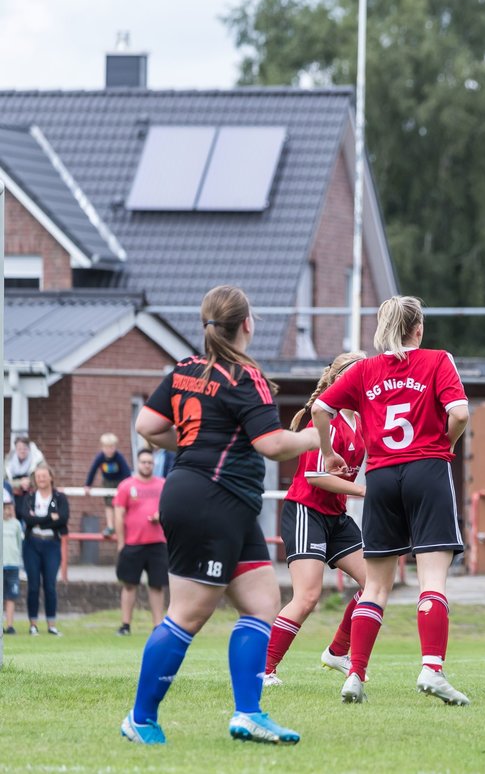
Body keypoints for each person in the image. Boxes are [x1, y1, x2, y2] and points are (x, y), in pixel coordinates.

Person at [123, 285, 318, 746]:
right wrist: (313, 440)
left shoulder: (185, 370)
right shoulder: (245, 376)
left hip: (219, 501)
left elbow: (147, 427)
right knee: (188, 614)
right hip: (211, 500)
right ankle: (140, 718)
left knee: (261, 602)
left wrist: (190, 443)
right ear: (247, 324)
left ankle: (249, 714)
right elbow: (271, 445)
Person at [312, 296, 471, 707]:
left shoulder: (365, 369)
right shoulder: (437, 360)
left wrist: (329, 454)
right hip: (427, 470)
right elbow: (460, 413)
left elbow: (321, 407)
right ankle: (432, 669)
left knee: (376, 586)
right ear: (418, 329)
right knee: (431, 580)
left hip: (381, 477)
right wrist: (444, 445)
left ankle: (354, 675)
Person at [264, 351, 369, 686]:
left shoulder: (362, 421)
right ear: (342, 381)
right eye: (360, 374)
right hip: (306, 512)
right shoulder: (324, 422)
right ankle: (263, 670)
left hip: (336, 515)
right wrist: (367, 492)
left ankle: (338, 651)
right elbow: (314, 477)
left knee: (374, 585)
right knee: (307, 597)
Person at [113, 449, 168, 636]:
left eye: (150, 462)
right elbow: (119, 514)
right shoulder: (126, 486)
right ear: (138, 463)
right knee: (129, 584)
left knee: (157, 585)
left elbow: (170, 509)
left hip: (157, 543)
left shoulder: (163, 485)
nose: (147, 465)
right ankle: (125, 625)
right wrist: (121, 542)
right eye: (144, 462)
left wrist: (160, 516)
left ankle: (158, 625)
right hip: (133, 544)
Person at [16, 463, 69, 635]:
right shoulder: (30, 498)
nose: (41, 479)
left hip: (51, 544)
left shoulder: (59, 497)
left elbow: (62, 519)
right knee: (33, 585)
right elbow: (27, 520)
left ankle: (51, 624)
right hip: (32, 543)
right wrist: (48, 518)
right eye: (38, 476)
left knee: (50, 585)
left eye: (44, 475)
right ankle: (33, 624)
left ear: (51, 477)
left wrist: (38, 519)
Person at [85, 432, 131, 539]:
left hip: (120, 482)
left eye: (111, 447)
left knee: (119, 505)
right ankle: (110, 527)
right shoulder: (100, 457)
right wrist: (88, 485)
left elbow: (126, 472)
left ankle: (121, 526)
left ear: (115, 447)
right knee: (109, 504)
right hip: (107, 482)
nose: (109, 450)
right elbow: (93, 470)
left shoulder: (119, 457)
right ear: (102, 447)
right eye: (106, 447)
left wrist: (127, 485)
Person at [3, 489, 22, 634]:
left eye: (8, 508)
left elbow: (19, 544)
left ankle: (10, 625)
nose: (6, 511)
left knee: (11, 596)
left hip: (13, 565)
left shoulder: (16, 524)